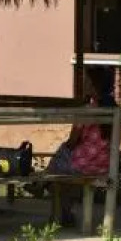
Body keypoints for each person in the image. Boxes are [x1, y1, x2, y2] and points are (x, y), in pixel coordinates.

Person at [41, 68, 116, 226]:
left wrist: (66, 148)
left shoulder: (85, 111)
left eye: (87, 82)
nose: (84, 85)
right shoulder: (115, 110)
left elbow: (72, 141)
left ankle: (46, 192)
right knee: (63, 171)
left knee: (57, 167)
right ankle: (64, 211)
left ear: (95, 85)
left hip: (83, 166)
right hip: (106, 165)